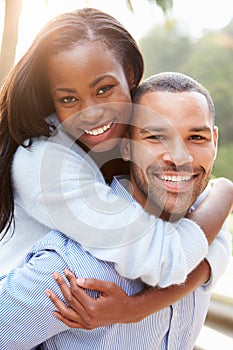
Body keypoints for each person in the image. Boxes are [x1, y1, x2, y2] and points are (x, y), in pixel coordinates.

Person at [0, 72, 232, 349]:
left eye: (196, 137)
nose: (180, 157)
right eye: (157, 137)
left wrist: (136, 308)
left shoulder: (207, 224)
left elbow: (209, 253)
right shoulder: (74, 269)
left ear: (215, 142)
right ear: (126, 145)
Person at [0, 8, 223, 286]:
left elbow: (199, 220)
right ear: (52, 99)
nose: (91, 113)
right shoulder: (43, 163)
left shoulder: (133, 131)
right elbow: (165, 258)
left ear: (129, 74)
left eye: (104, 89)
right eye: (69, 99)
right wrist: (224, 193)